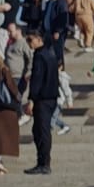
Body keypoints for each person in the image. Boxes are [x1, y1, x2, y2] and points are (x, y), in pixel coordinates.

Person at [24, 30, 61, 175]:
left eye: (31, 40)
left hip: (43, 99)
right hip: (51, 97)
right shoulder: (50, 53)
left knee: (42, 131)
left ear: (39, 39)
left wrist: (31, 99)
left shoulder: (40, 55)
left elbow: (37, 79)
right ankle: (43, 162)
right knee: (39, 130)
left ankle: (44, 163)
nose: (29, 43)